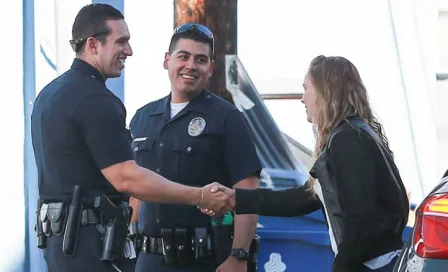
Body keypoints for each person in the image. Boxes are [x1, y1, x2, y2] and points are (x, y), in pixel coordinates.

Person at [31, 5, 233, 272]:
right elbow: (126, 177)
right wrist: (199, 196)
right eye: (121, 42)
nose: (129, 51)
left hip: (59, 246)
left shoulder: (49, 95)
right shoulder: (96, 100)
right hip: (91, 248)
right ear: (93, 44)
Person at [206, 56, 410, 272]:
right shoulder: (353, 133)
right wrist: (235, 198)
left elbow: (361, 221)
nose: (302, 98)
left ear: (325, 92)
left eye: (306, 89)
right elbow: (302, 198)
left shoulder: (348, 138)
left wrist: (341, 267)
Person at [128, 23, 261, 272]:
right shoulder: (142, 118)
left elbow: (248, 192)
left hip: (204, 260)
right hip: (148, 259)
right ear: (167, 60)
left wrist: (239, 256)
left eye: (200, 60)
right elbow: (135, 193)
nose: (191, 65)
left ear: (210, 69)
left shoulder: (227, 118)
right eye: (183, 56)